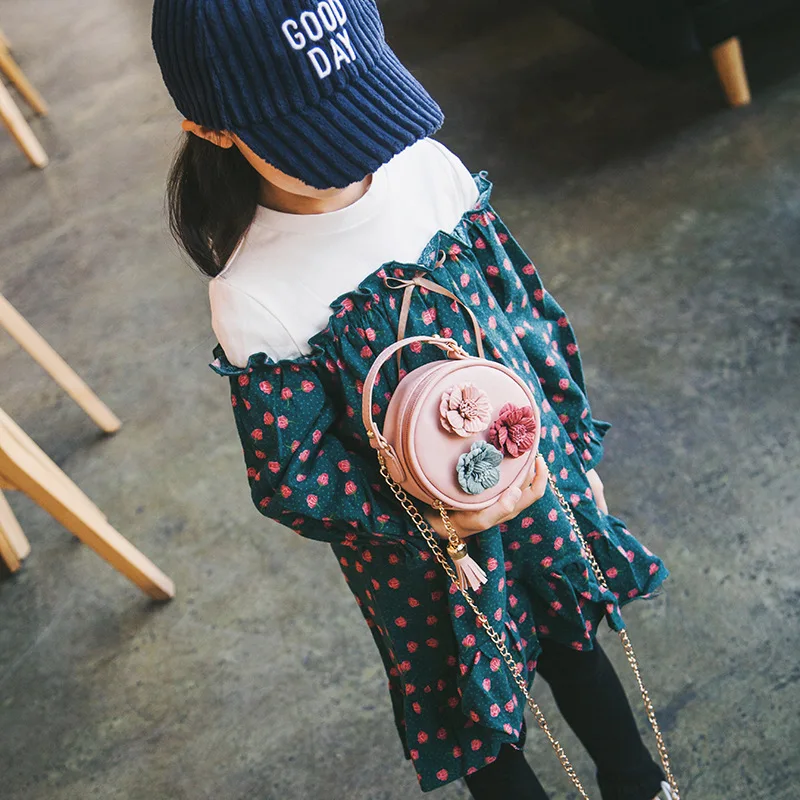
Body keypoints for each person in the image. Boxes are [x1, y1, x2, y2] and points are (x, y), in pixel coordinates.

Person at [151, 1, 675, 798]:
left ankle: (638, 782)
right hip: (424, 562)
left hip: (532, 484)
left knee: (576, 639)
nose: (356, 151)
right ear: (212, 128)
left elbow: (520, 315)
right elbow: (292, 472)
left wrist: (572, 446)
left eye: (361, 105)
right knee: (477, 715)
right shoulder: (255, 294)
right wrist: (432, 524)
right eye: (312, 134)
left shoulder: (427, 169)